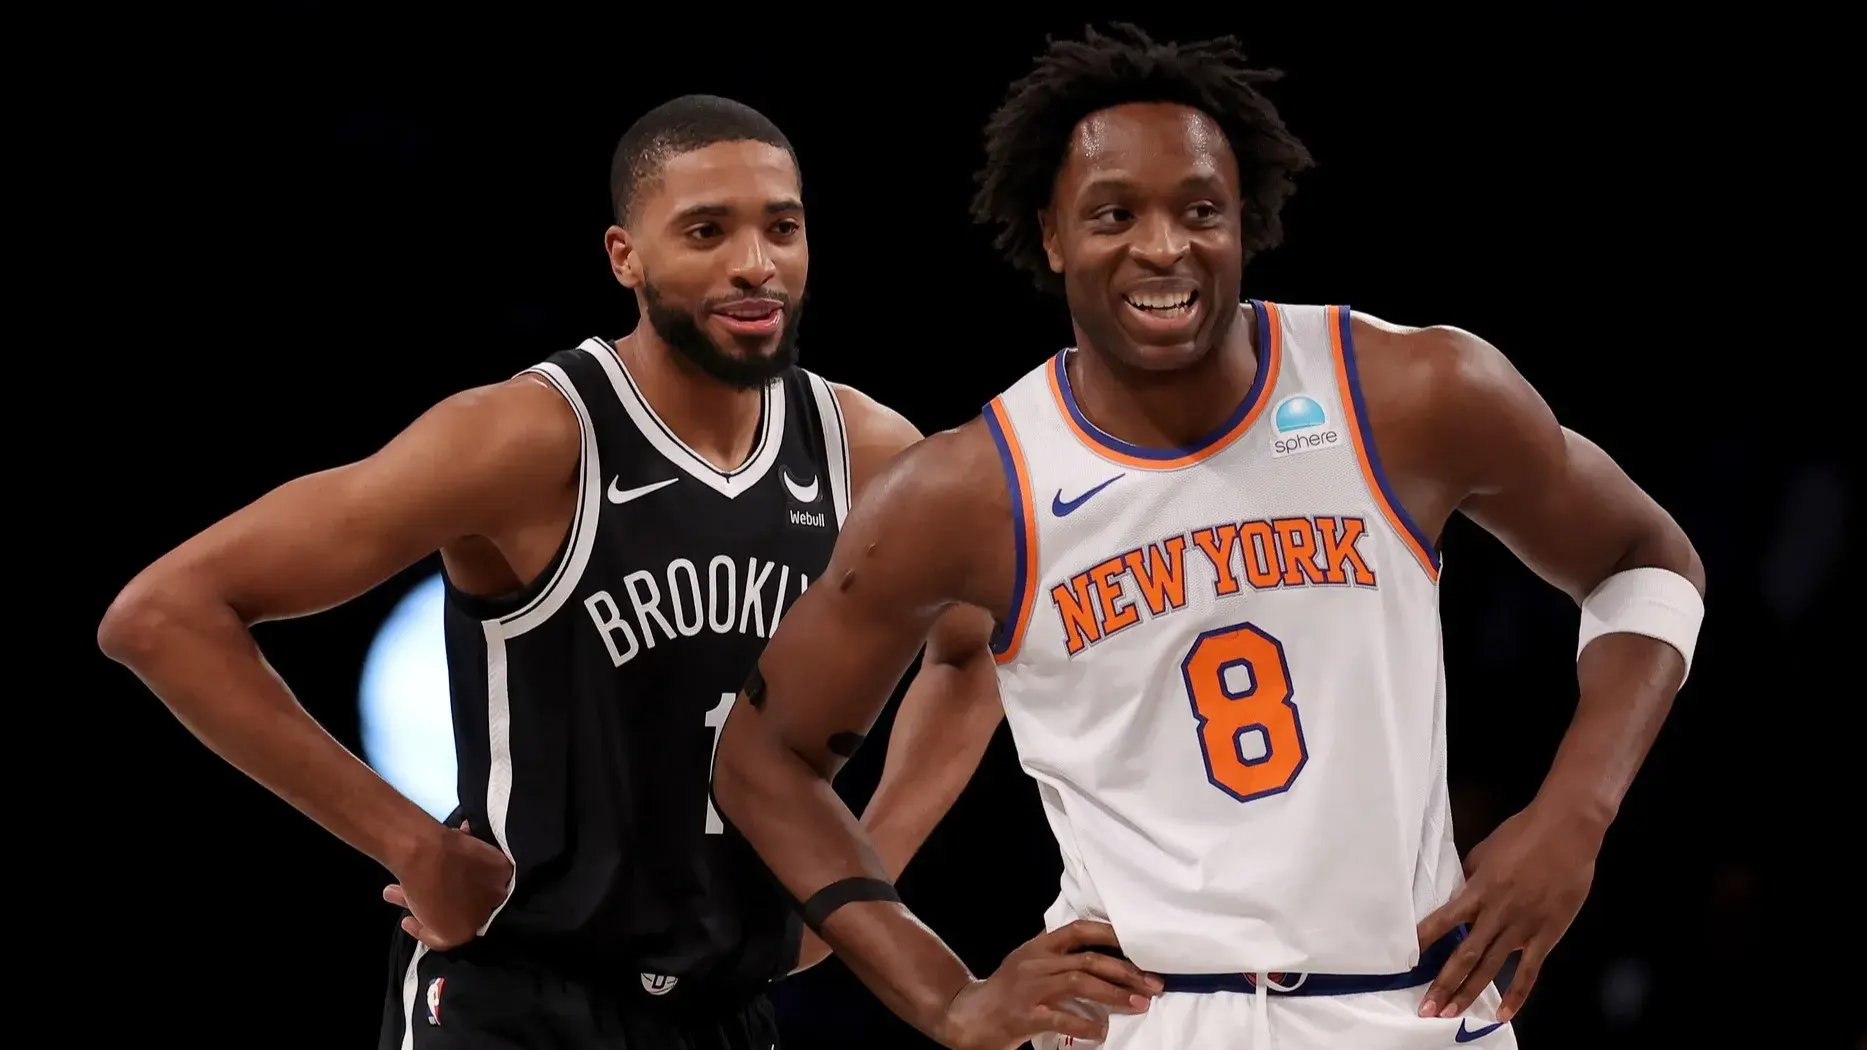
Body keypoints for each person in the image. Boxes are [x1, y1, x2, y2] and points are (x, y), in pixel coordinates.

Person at [710, 23, 1706, 1050]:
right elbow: (761, 758)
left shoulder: (1409, 392)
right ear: (1050, 235)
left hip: (1407, 1002)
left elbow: (1647, 563)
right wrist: (941, 992)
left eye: (1199, 210)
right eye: (1113, 214)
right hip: (1140, 1018)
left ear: (1246, 220)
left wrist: (1573, 817)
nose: (1161, 246)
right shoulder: (968, 489)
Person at [95, 93, 1005, 1050]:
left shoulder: (863, 451)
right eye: (706, 230)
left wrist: (862, 887)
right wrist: (407, 840)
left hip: (724, 1009)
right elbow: (162, 615)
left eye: (782, 227)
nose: (754, 263)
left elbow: (969, 649)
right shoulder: (533, 437)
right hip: (518, 996)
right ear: (627, 257)